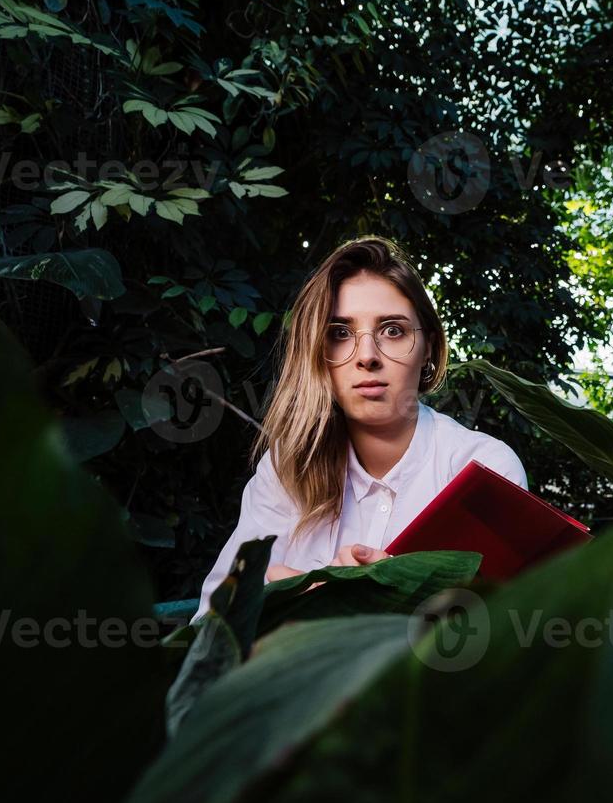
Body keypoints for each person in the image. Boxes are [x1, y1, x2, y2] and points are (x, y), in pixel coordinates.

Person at [195, 235, 527, 618]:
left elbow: (501, 640)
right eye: (340, 333)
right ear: (316, 353)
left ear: (429, 349)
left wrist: (371, 601)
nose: (367, 356)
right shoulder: (286, 467)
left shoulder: (484, 470)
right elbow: (209, 625)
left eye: (392, 330)